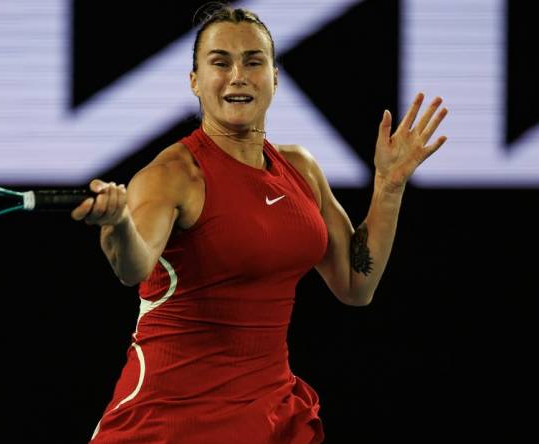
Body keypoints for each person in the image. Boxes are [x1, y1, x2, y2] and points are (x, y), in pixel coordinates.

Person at [71, 5, 448, 443]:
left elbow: (355, 284)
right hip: (171, 420)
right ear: (194, 81)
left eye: (253, 61)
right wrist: (117, 223)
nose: (237, 75)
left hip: (270, 416)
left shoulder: (301, 169)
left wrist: (388, 188)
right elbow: (132, 267)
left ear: (274, 77)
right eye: (220, 62)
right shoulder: (173, 175)